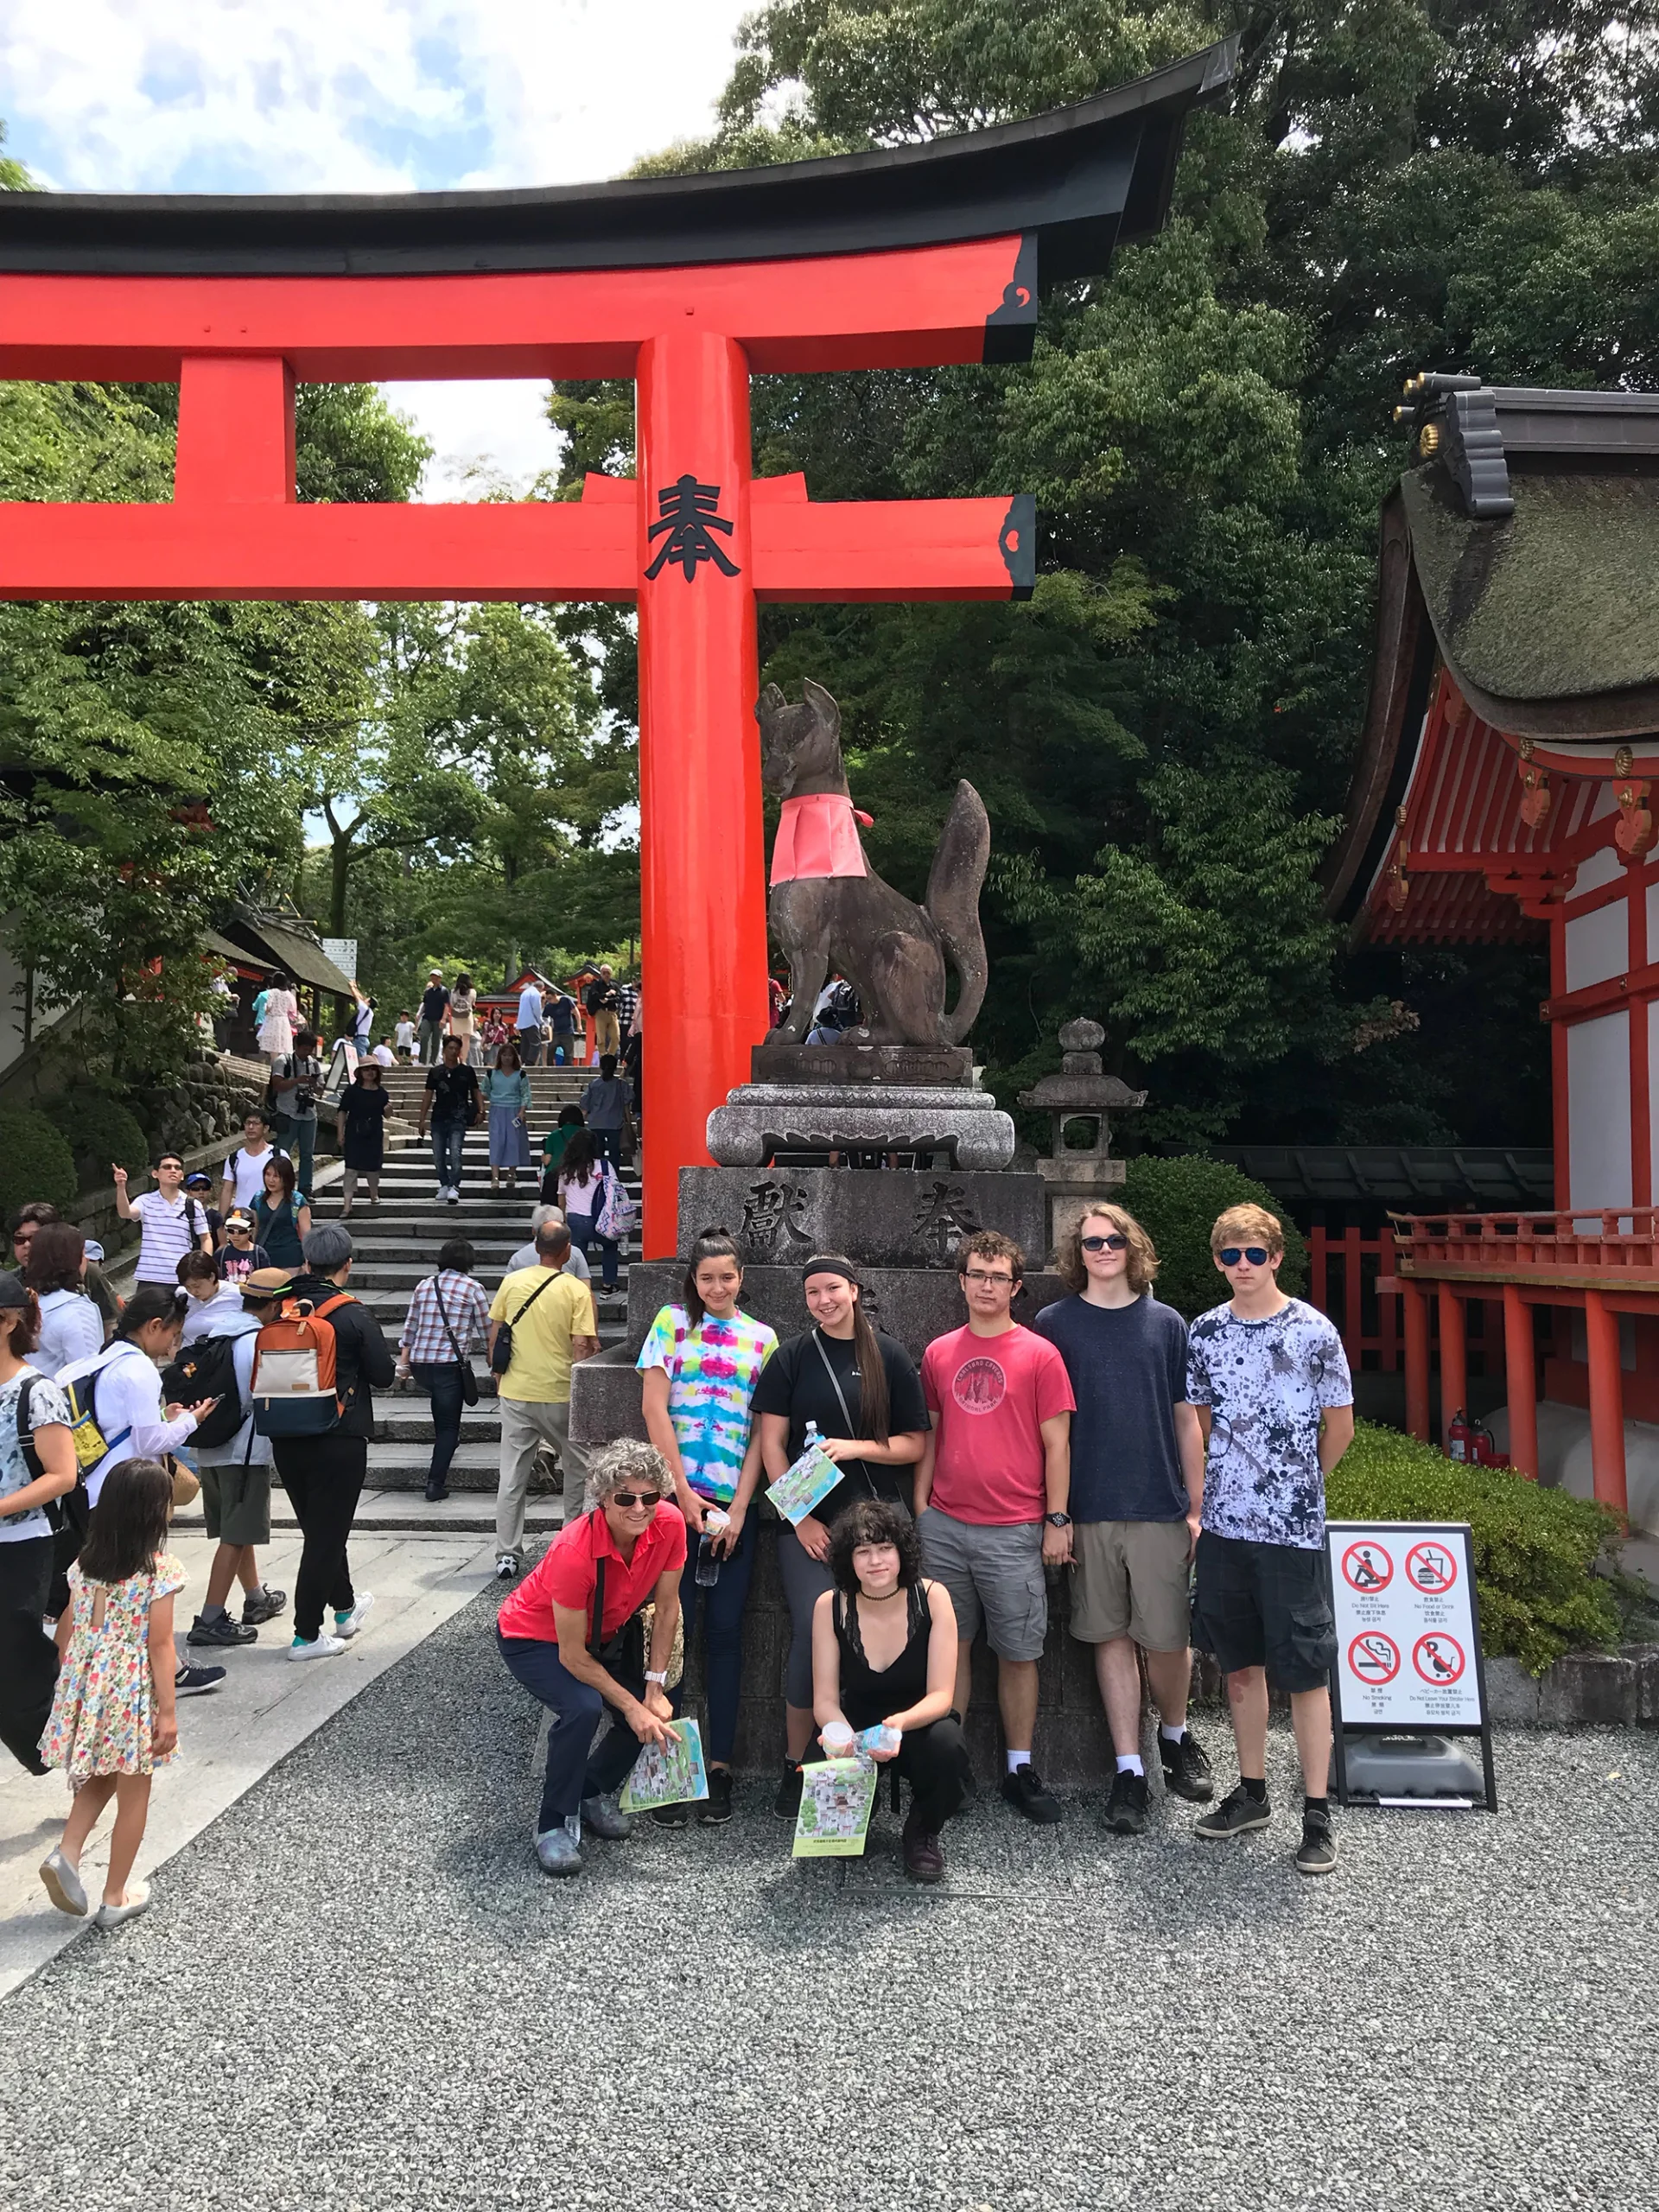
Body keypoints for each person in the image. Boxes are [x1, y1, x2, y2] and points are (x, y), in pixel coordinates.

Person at [1032, 1204, 1213, 1834]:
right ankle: (1129, 1769)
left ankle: (1175, 1734)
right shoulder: (1053, 1324)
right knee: (1107, 1634)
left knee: (1167, 1638)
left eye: (1113, 1239)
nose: (1102, 1249)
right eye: (1090, 1242)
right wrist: (1054, 1513)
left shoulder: (1166, 1323)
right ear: (1075, 1254)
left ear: (1132, 1247)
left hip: (1159, 1501)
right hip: (1088, 1504)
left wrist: (1196, 1505)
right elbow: (1046, 1428)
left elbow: (1188, 1418)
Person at [1185, 1205, 1355, 1877]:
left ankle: (1316, 1810)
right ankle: (1251, 1790)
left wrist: (1301, 1485)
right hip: (1225, 1527)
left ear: (1278, 1257)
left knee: (1307, 1670)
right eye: (1230, 1256)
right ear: (1218, 1262)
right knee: (1239, 1667)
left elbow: (1338, 1426)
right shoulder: (1203, 1333)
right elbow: (1203, 1422)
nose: (1243, 1267)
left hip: (1292, 1529)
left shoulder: (1314, 1331)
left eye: (1254, 1254)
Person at [752, 1254, 931, 1818]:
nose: (823, 1300)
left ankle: (886, 1760)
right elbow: (772, 1446)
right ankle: (798, 1760)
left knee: (885, 1639)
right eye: (812, 1292)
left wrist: (854, 1448)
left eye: (832, 1288)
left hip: (877, 1525)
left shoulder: (889, 1356)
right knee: (813, 1632)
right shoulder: (792, 1358)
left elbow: (914, 1443)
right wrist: (799, 1517)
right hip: (811, 1526)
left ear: (854, 1290)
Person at [914, 1230, 1075, 1826]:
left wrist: (1057, 1519)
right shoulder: (938, 1353)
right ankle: (947, 1766)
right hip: (947, 1524)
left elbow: (1057, 1444)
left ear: (1016, 1286)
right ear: (961, 1282)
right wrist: (922, 1507)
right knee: (949, 1649)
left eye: (998, 1277)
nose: (986, 1286)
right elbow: (931, 1435)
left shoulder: (1040, 1354)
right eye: (976, 1274)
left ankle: (1017, 1766)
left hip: (1015, 1526)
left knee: (1018, 1651)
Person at [495, 1438, 686, 1877]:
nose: (639, 1508)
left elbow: (668, 1606)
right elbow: (572, 1656)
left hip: (603, 1633)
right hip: (532, 1636)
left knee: (654, 1704)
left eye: (650, 1496)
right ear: (603, 1498)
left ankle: (588, 1790)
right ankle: (552, 1824)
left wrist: (654, 1686)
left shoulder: (671, 1523)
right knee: (582, 1707)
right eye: (626, 1498)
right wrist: (634, 1705)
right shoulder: (573, 1550)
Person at [637, 1230, 777, 1826]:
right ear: (691, 1280)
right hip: (669, 1504)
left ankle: (718, 1768)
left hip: (730, 1508)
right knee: (666, 1641)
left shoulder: (763, 1339)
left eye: (727, 1276)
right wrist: (683, 1496)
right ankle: (668, 1767)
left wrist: (741, 1509)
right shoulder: (671, 1323)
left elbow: (761, 1431)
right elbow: (653, 1410)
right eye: (706, 1278)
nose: (717, 1287)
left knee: (724, 1639)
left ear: (741, 1276)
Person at [37, 1457, 184, 1926]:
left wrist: (69, 1682)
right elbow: (160, 1643)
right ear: (151, 1512)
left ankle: (67, 1853)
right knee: (135, 1793)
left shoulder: (86, 1563)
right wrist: (168, 1711)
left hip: (90, 1683)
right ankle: (115, 1895)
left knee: (101, 1773)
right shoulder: (158, 1569)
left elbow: (70, 1627)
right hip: (131, 1688)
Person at [56, 1287, 221, 1698]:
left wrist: (163, 1417)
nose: (173, 1345)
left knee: (93, 1582)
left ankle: (69, 1670)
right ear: (153, 1327)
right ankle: (169, 1672)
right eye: (172, 1335)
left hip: (90, 1487)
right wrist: (190, 1421)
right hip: (129, 1490)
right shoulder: (140, 1370)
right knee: (140, 1583)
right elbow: (150, 1443)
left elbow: (124, 1426)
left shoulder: (98, 1361)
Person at [812, 1499, 970, 1882]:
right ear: (848, 1560)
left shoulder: (934, 1597)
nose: (875, 1561)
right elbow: (825, 1701)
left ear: (903, 1552)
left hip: (918, 1721)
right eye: (862, 1551)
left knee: (949, 1747)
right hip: (857, 1722)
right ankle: (862, 1808)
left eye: (885, 1548)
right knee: (818, 1759)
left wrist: (897, 1725)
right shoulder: (829, 1606)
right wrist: (842, 1738)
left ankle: (923, 1828)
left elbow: (941, 1696)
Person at [270, 1224, 395, 1662]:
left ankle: (344, 1609)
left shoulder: (281, 1308)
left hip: (285, 1434)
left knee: (321, 1528)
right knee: (325, 1534)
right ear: (348, 1264)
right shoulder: (353, 1314)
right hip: (339, 1436)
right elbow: (382, 1374)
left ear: (307, 1263)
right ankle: (306, 1634)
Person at [181, 1268, 289, 1649]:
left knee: (236, 1530)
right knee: (235, 1534)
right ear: (276, 1304)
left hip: (208, 1448)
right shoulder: (258, 1340)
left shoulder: (213, 1331)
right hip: (245, 1451)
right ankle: (211, 1617)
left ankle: (256, 1597)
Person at [487, 1218, 599, 1579]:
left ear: (536, 1247)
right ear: (568, 1251)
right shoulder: (574, 1290)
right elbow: (582, 1344)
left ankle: (506, 1553)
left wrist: (497, 1372)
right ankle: (571, 1539)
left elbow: (496, 1332)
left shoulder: (512, 1282)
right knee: (578, 1468)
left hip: (517, 1393)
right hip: (559, 1393)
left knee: (512, 1476)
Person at [0, 1275, 76, 1775]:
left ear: (8, 1321)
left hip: (23, 1542)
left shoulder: (37, 1390)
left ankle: (63, 1744)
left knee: (18, 1667)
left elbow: (63, 1475)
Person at [397, 1238, 491, 1504]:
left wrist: (404, 1363)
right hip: (448, 1365)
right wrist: (494, 1361)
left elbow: (410, 1326)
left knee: (442, 1414)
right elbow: (487, 1330)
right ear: (468, 1262)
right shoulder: (473, 1288)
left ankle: (445, 1446)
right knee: (449, 1426)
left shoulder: (425, 1285)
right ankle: (435, 1483)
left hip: (421, 1364)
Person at [113, 1154, 213, 1286]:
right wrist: (121, 1187)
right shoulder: (145, 1201)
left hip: (183, 1279)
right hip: (149, 1278)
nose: (173, 1170)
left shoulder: (193, 1205)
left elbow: (205, 1238)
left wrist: (203, 1268)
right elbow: (125, 1213)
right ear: (155, 1174)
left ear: (182, 1175)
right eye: (167, 1167)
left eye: (177, 1168)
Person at [24, 1222, 105, 1375]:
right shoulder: (77, 1311)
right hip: (60, 1395)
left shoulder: (25, 1302)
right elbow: (86, 1372)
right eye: (82, 1254)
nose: (86, 1259)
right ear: (73, 1260)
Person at [418, 1033, 482, 1205]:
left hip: (459, 1118)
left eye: (456, 1048)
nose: (453, 1052)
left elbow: (476, 1092)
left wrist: (481, 1110)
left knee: (455, 1153)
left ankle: (454, 1185)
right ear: (444, 1050)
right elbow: (428, 1095)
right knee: (438, 1156)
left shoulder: (467, 1071)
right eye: (450, 1048)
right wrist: (422, 1118)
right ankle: (444, 1183)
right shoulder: (435, 1072)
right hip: (439, 1117)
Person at [557, 1130, 621, 1291]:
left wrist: (563, 1219)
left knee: (577, 1255)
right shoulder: (604, 1166)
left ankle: (579, 1287)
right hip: (601, 1219)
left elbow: (561, 1197)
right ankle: (609, 1283)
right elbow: (616, 1191)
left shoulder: (567, 1169)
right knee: (610, 1247)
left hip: (575, 1220)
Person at [268, 1028, 325, 1200]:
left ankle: (305, 1189)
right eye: (304, 1049)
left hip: (308, 1114)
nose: (306, 1053)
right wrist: (297, 1081)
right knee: (282, 1154)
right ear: (296, 1045)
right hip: (287, 1112)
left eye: (310, 1050)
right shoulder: (283, 1061)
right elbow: (277, 1084)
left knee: (307, 1155)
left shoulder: (313, 1064)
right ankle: (279, 1187)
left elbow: (321, 1089)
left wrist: (314, 1085)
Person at [337, 1060, 390, 1216]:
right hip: (355, 1132)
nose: (370, 1072)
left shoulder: (381, 1093)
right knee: (351, 1168)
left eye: (373, 1069)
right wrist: (340, 1133)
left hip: (374, 1133)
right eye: (366, 1069)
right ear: (360, 1072)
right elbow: (342, 1112)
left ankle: (374, 1194)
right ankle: (347, 1205)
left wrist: (388, 1110)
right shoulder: (352, 1091)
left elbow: (387, 1114)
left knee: (373, 1167)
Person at [482, 1040, 534, 1192]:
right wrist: (481, 1105)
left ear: (514, 1057)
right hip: (497, 1110)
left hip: (514, 1110)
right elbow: (483, 1090)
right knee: (496, 1143)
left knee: (513, 1143)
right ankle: (495, 1177)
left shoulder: (521, 1074)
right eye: (504, 1055)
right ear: (500, 1056)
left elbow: (525, 1093)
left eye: (510, 1055)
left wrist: (522, 1111)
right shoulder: (491, 1074)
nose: (506, 1058)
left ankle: (511, 1173)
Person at [219, 1109, 286, 1217]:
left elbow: (287, 1186)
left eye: (256, 1123)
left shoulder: (278, 1155)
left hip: (269, 1216)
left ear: (265, 1128)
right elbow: (227, 1190)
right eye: (248, 1123)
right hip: (241, 1217)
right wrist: (221, 1221)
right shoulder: (234, 1158)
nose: (251, 1127)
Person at [252, 1153, 311, 1272]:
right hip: (264, 1256)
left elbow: (307, 1234)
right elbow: (255, 1229)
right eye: (268, 1175)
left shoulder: (298, 1200)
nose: (271, 1180)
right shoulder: (258, 1198)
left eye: (276, 1176)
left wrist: (308, 1260)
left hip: (290, 1258)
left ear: (286, 1178)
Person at [505, 1204, 591, 1281]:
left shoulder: (517, 1258)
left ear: (533, 1230)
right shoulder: (575, 1253)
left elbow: (506, 1288)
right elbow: (586, 1288)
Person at [579, 1052, 635, 1166]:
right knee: (614, 1155)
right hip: (615, 1124)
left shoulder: (593, 1085)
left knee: (596, 1155)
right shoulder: (621, 1085)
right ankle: (613, 1178)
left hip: (595, 1123)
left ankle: (597, 1177)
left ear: (601, 1066)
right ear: (615, 1068)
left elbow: (585, 1104)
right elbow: (626, 1106)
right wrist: (629, 1124)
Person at [177, 1250, 243, 1344]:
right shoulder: (182, 1296)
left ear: (211, 1277)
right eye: (188, 1287)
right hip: (185, 1353)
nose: (193, 1292)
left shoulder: (236, 1295)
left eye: (197, 1286)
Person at [216, 1211, 271, 1286]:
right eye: (231, 1231)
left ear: (251, 1231)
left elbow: (266, 1278)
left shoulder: (259, 1253)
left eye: (241, 1231)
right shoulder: (221, 1253)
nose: (235, 1235)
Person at [257, 969, 298, 1067]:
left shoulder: (272, 992)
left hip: (272, 1021)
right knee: (283, 1048)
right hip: (284, 1021)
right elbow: (293, 1011)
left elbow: (268, 1008)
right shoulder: (290, 995)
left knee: (273, 1050)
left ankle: (273, 1069)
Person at [540, 1104, 583, 1198]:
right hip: (580, 1175)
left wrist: (543, 1158)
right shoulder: (586, 1134)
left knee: (551, 1210)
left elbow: (547, 1161)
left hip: (555, 1174)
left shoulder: (554, 1135)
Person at [584, 964, 620, 1063]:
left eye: (608, 973)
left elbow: (619, 997)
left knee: (616, 1037)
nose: (606, 975)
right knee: (601, 1038)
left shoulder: (615, 985)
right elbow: (594, 996)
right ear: (601, 974)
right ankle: (602, 1057)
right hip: (601, 1013)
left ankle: (610, 1056)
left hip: (612, 1013)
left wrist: (607, 999)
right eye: (604, 973)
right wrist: (606, 994)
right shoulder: (596, 984)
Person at [181, 1170, 224, 1248]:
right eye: (196, 1188)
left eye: (205, 1188)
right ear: (187, 1191)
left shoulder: (215, 1216)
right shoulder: (182, 1214)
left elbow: (223, 1244)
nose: (201, 1192)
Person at [416, 969, 450, 1065]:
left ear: (440, 978)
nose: (434, 979)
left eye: (436, 977)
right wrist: (419, 1014)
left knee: (436, 1041)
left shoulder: (444, 991)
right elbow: (425, 1004)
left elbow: (446, 1006)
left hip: (438, 1019)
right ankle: (422, 1061)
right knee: (424, 1037)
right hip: (427, 1017)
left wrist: (444, 1019)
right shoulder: (428, 992)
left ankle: (433, 1061)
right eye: (432, 977)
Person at [515, 974, 544, 1067]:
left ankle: (523, 1060)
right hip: (531, 1021)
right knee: (536, 1043)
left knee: (525, 1043)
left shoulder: (525, 993)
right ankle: (530, 1062)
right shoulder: (535, 993)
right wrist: (540, 1021)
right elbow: (536, 1008)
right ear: (541, 988)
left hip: (522, 1022)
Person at [448, 971, 478, 1063]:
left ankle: (455, 1058)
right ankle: (463, 1060)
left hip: (456, 1016)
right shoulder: (473, 992)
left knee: (457, 1038)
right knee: (466, 1039)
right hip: (467, 1016)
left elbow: (451, 1004)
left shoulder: (453, 991)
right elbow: (473, 1004)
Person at [547, 988, 577, 1065]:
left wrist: (579, 1025)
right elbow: (544, 1018)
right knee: (550, 1050)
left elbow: (576, 1012)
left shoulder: (566, 1000)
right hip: (555, 1031)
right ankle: (550, 1068)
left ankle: (568, 1069)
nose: (549, 1001)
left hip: (567, 1030)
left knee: (568, 1053)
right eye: (548, 999)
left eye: (550, 998)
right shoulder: (549, 1006)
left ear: (555, 996)